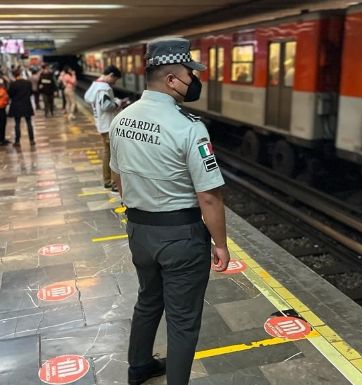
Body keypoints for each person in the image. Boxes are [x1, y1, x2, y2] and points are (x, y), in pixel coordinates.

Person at [109, 37, 229, 385]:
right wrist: (220, 244)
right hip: (181, 237)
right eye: (190, 73)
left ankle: (139, 368)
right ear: (172, 80)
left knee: (148, 300)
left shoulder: (121, 120)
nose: (194, 80)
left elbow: (119, 179)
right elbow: (209, 197)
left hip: (139, 231)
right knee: (183, 321)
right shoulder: (189, 127)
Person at [84, 64, 124, 191]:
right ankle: (113, 183)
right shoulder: (104, 88)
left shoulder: (95, 85)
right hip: (108, 125)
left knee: (108, 152)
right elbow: (106, 106)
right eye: (115, 79)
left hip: (101, 123)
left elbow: (90, 100)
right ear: (111, 75)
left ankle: (107, 180)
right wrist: (118, 102)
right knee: (113, 154)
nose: (114, 82)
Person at [7, 68, 36, 146]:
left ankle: (17, 141)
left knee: (17, 123)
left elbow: (9, 94)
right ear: (20, 74)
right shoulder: (27, 83)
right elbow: (31, 92)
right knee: (29, 123)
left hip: (16, 105)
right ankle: (32, 140)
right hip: (26, 104)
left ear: (14, 75)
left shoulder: (13, 84)